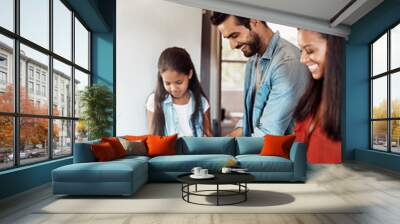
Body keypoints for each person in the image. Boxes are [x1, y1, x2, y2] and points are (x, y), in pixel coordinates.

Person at [210, 13, 309, 137]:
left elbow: (268, 133)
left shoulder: (287, 63)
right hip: (261, 151)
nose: (232, 45)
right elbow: (250, 121)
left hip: (284, 155)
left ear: (254, 20)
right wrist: (222, 144)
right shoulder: (253, 61)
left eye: (234, 35)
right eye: (228, 39)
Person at [295, 29, 343, 163]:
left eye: (309, 51)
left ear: (335, 49)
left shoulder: (354, 107)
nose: (302, 60)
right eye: (301, 51)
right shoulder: (312, 98)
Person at [146, 47, 212, 137]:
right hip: (167, 151)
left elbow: (209, 136)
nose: (173, 88)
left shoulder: (202, 102)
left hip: (196, 151)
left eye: (178, 82)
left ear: (189, 74)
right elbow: (152, 137)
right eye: (167, 83)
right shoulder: (154, 101)